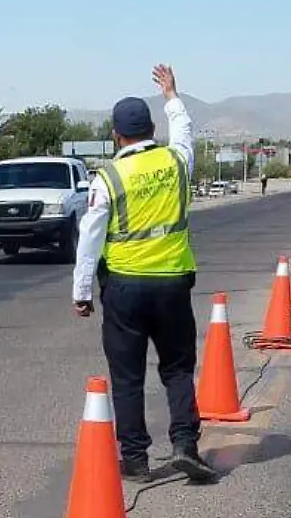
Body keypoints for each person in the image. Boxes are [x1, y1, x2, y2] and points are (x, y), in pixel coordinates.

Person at [71, 64, 219, 485]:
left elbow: (90, 240)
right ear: (152, 128)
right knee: (176, 368)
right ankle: (186, 445)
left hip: (125, 289)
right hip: (172, 284)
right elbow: (185, 130)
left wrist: (82, 292)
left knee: (128, 376)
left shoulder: (108, 178)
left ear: (116, 134)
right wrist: (172, 94)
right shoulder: (176, 162)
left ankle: (135, 458)